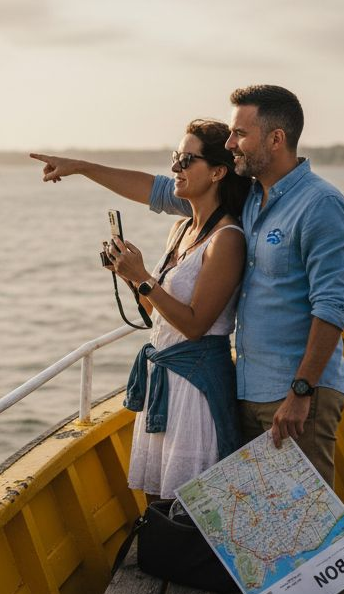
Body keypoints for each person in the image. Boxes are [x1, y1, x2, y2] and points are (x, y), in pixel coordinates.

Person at [46, 86, 344, 594]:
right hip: (248, 387)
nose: (234, 141)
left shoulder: (318, 205)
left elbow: (333, 307)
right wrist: (82, 166)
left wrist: (301, 390)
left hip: (296, 394)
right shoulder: (258, 200)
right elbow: (156, 190)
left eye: (241, 133)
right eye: (231, 136)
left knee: (307, 532)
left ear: (275, 137)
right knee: (269, 530)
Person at [31, 119, 250, 499]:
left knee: (191, 497)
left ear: (217, 172)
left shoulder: (227, 238)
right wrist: (129, 274)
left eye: (187, 160)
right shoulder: (181, 229)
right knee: (159, 495)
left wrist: (144, 277)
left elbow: (196, 325)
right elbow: (155, 312)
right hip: (165, 377)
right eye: (175, 157)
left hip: (196, 383)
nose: (175, 168)